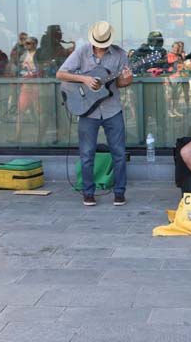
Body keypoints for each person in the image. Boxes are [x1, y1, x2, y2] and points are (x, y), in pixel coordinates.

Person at [57, 21, 132, 207]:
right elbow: (61, 74)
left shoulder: (120, 54)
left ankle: (119, 193)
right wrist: (84, 78)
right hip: (87, 111)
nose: (101, 45)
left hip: (112, 110)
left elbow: (120, 84)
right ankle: (88, 193)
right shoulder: (82, 51)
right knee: (87, 154)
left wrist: (127, 79)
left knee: (119, 153)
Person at [15, 36, 40, 142]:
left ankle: (40, 137)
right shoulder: (24, 55)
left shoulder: (39, 55)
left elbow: (42, 68)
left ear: (35, 44)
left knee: (39, 112)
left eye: (29, 43)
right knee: (20, 111)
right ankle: (17, 137)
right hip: (26, 86)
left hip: (36, 86)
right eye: (25, 43)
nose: (26, 45)